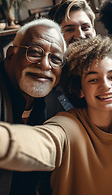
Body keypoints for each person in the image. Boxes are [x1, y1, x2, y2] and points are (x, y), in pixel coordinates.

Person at [0, 35, 112, 195]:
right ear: (79, 90)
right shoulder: (66, 126)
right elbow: (38, 144)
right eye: (93, 79)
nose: (106, 86)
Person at [0, 18, 66, 195]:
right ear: (11, 55)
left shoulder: (55, 105)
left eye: (55, 58)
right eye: (35, 52)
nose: (45, 65)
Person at [46, 0, 97, 117]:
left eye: (85, 28)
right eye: (70, 29)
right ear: (56, 36)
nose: (80, 35)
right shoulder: (48, 82)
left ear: (94, 31)